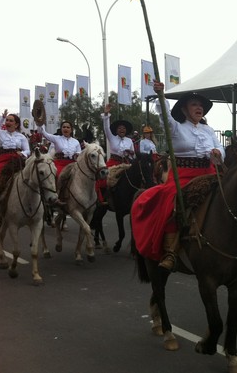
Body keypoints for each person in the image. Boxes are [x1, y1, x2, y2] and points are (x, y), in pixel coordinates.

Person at [132, 81, 225, 272]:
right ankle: (171, 251)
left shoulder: (208, 130)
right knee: (173, 203)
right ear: (184, 109)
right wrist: (161, 95)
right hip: (183, 176)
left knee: (233, 194)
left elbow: (220, 147)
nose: (198, 108)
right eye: (193, 104)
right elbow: (164, 117)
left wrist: (218, 153)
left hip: (209, 173)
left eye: (200, 105)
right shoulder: (175, 127)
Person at [0, 111, 30, 214]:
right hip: (3, 159)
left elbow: (28, 150)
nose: (8, 122)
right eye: (7, 120)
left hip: (17, 159)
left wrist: (22, 153)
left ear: (16, 124)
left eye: (10, 121)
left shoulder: (21, 137)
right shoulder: (0, 133)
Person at [96, 105, 135, 204]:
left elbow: (133, 155)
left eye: (124, 128)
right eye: (120, 128)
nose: (122, 129)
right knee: (104, 180)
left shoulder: (129, 140)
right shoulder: (112, 137)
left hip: (126, 163)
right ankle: (103, 199)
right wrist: (106, 114)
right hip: (113, 163)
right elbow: (106, 127)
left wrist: (130, 153)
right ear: (116, 130)